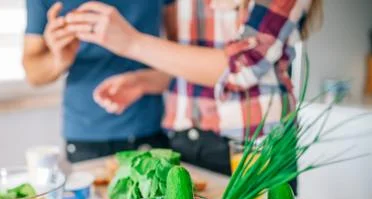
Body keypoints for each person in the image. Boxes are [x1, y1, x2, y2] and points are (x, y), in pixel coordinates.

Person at [63, 0, 323, 186]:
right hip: (186, 144)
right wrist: (146, 81)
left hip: (255, 148)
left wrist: (132, 42)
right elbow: (195, 63)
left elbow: (244, 64)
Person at [22, 1, 177, 162]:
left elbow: (180, 52)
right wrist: (58, 60)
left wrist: (145, 79)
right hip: (86, 135)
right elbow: (33, 72)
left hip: (151, 127)